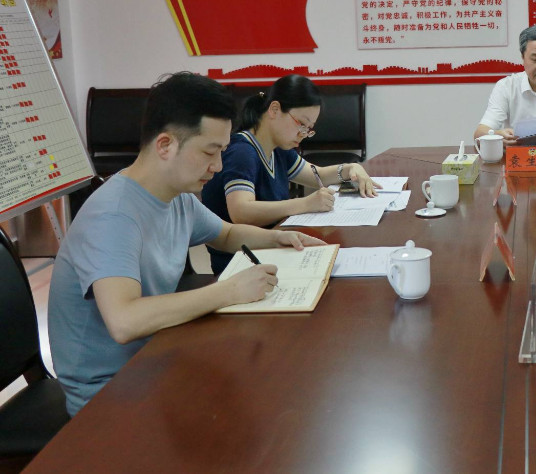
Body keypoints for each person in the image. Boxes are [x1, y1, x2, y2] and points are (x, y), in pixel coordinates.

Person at [48, 72, 325, 416]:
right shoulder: (114, 216)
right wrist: (229, 291)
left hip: (158, 353)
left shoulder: (176, 195)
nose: (218, 166)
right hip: (109, 392)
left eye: (222, 151)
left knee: (277, 378)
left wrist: (277, 238)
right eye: (210, 151)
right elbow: (124, 321)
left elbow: (226, 234)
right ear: (165, 145)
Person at [202, 75, 378, 274]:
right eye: (301, 124)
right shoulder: (242, 151)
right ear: (274, 109)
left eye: (308, 129)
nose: (303, 134)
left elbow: (317, 175)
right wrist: (305, 203)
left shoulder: (278, 149)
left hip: (272, 249)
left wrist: (350, 169)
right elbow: (241, 212)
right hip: (241, 263)